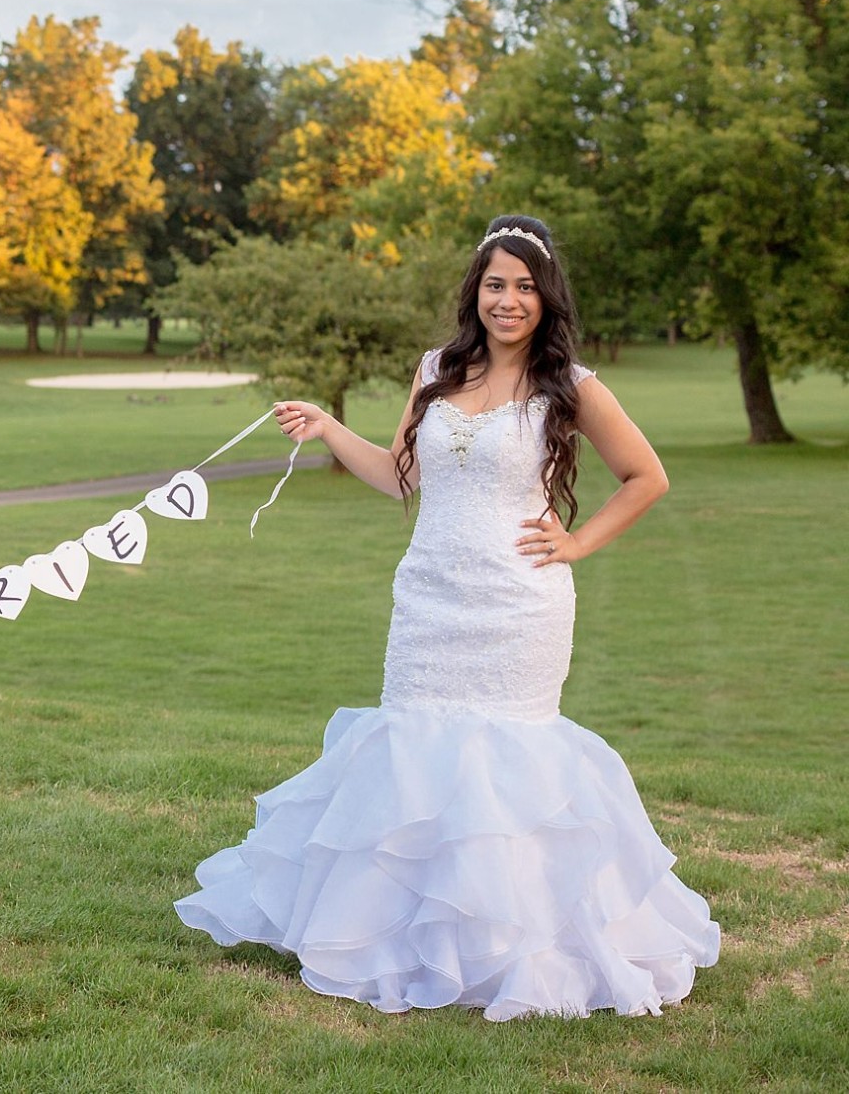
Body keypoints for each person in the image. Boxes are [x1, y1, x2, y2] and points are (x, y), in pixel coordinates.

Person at [174, 214, 719, 1021]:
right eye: (496, 283)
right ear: (476, 290)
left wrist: (576, 542)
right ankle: (399, 936)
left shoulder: (571, 384)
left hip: (519, 604)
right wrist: (327, 426)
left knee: (507, 760)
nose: (509, 300)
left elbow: (647, 476)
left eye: (525, 286)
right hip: (429, 597)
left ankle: (512, 943)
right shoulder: (436, 369)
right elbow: (400, 477)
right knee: (414, 748)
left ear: (546, 296)